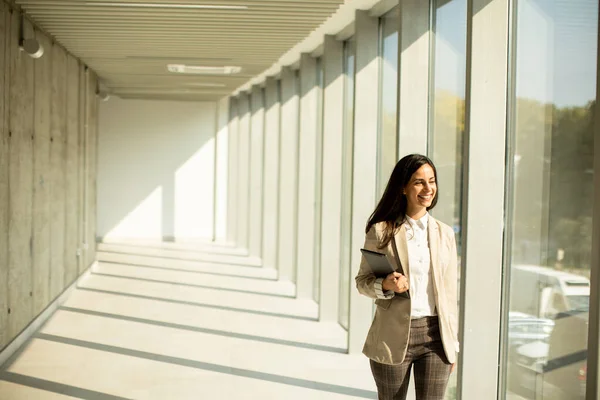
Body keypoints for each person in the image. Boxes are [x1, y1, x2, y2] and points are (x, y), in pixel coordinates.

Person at [355, 154, 459, 400]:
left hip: (436, 336)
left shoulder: (445, 234)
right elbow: (363, 283)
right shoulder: (381, 231)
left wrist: (452, 344)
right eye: (418, 182)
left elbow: (449, 295)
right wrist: (386, 284)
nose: (428, 188)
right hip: (393, 335)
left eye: (431, 181)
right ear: (403, 187)